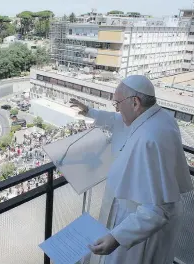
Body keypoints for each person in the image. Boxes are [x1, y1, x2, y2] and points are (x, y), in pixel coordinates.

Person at [70, 75, 193, 264]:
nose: (117, 109)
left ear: (135, 102)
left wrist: (117, 237)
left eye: (117, 103)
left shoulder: (152, 137)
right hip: (137, 216)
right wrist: (90, 112)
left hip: (141, 227)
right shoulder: (156, 117)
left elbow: (159, 208)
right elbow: (116, 120)